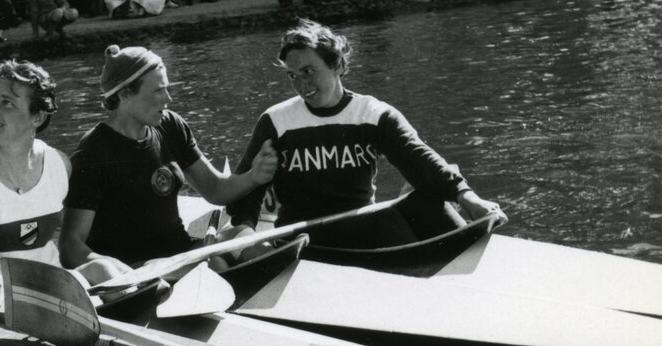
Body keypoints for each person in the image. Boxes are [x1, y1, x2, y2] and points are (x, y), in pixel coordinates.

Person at [227, 20, 505, 248]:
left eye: (309, 71)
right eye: (293, 75)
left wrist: (467, 196)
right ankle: (421, 269)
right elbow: (245, 191)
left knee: (426, 199)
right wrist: (245, 233)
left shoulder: (373, 114)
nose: (301, 84)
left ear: (336, 65)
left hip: (358, 223)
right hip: (302, 238)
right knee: (390, 224)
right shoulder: (276, 121)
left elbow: (419, 159)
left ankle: (466, 250)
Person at [59, 45, 279, 271]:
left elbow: (215, 190)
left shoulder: (171, 126)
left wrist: (254, 176)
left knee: (244, 238)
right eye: (158, 91)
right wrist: (114, 271)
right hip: (136, 270)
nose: (168, 99)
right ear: (124, 94)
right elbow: (70, 247)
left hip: (180, 253)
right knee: (218, 264)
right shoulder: (92, 154)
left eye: (167, 89)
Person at [0, 59, 115, 314]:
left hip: (54, 288)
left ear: (38, 116)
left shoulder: (60, 164)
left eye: (6, 102)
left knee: (105, 268)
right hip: (0, 296)